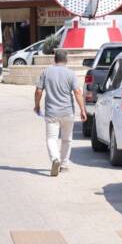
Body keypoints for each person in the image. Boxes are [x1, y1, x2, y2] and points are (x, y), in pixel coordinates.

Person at [33, 49, 87, 177]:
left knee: (51, 139)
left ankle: (55, 159)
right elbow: (78, 92)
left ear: (54, 59)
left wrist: (37, 106)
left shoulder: (46, 72)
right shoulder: (70, 73)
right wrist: (83, 110)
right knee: (67, 139)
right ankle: (64, 165)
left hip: (52, 112)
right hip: (68, 112)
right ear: (66, 60)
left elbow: (38, 91)